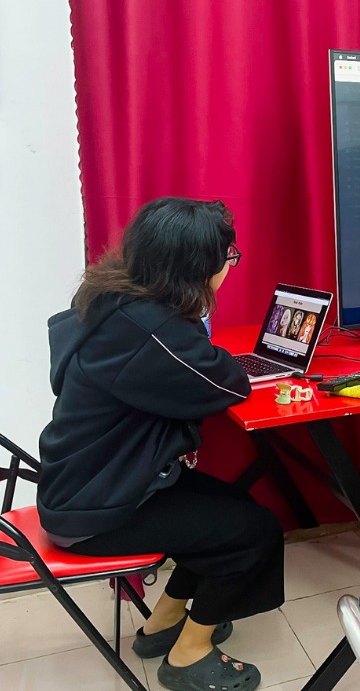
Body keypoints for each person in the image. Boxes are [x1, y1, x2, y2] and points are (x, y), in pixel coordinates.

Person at [37, 198, 283, 691]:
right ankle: (188, 658)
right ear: (195, 267)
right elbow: (228, 383)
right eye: (226, 257)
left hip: (88, 484)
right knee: (254, 532)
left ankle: (162, 624)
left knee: (233, 509)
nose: (229, 266)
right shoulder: (148, 330)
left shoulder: (111, 301)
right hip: (96, 510)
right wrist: (198, 317)